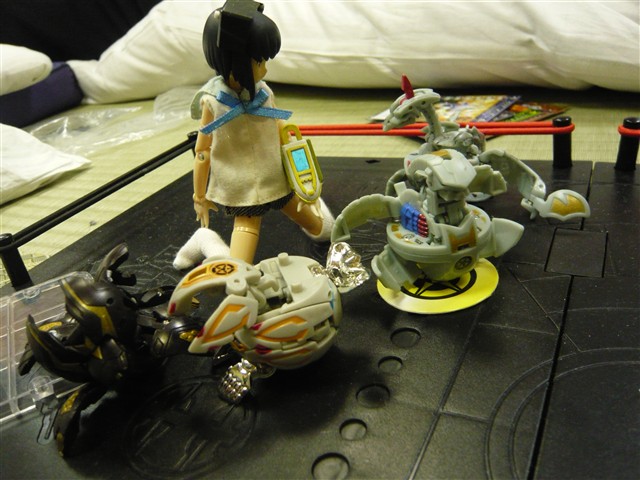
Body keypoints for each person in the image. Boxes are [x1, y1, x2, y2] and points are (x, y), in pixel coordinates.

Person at [174, 0, 333, 269]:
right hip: (241, 186)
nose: (265, 69)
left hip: (277, 176)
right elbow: (202, 152)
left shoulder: (264, 92)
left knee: (323, 230)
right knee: (240, 268)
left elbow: (279, 127)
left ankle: (320, 214)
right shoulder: (213, 103)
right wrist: (199, 197)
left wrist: (298, 164)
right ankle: (205, 241)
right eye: (259, 61)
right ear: (233, 61)